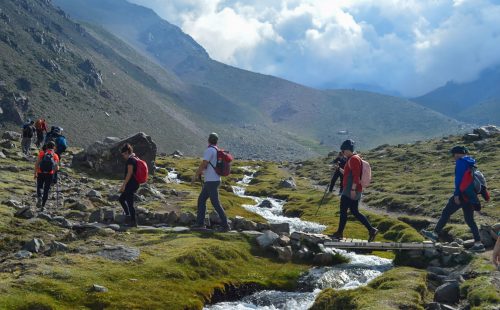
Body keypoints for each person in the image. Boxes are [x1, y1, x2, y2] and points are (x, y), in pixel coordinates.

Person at [421, 146, 485, 252]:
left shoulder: (461, 162)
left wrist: (456, 194)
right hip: (470, 196)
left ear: (456, 154)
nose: (453, 157)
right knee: (470, 220)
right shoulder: (471, 162)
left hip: (461, 195)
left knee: (446, 212)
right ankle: (479, 244)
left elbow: (459, 180)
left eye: (453, 155)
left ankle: (435, 234)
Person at [331, 140, 378, 242]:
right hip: (353, 189)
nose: (342, 152)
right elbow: (349, 174)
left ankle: (339, 233)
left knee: (343, 211)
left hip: (350, 190)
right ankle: (371, 230)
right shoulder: (352, 159)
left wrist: (352, 189)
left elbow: (356, 176)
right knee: (354, 211)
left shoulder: (353, 159)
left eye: (343, 150)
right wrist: (339, 169)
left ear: (348, 150)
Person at [192, 133, 230, 231]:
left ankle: (225, 226)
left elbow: (204, 164)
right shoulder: (217, 150)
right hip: (214, 180)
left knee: (215, 203)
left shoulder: (209, 150)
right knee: (201, 200)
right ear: (216, 141)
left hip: (211, 181)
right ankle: (200, 223)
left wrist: (196, 175)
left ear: (209, 140)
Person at [119, 143, 140, 227]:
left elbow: (129, 173)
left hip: (131, 185)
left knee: (130, 203)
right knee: (121, 199)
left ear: (127, 152)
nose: (123, 156)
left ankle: (133, 222)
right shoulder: (135, 158)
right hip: (134, 184)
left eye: (124, 154)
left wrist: (123, 185)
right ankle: (128, 217)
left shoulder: (130, 160)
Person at [34, 141, 59, 210]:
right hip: (49, 174)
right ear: (54, 147)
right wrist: (55, 172)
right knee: (46, 189)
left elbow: (37, 163)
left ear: (47, 146)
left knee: (39, 186)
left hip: (40, 172)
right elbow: (56, 167)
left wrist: (35, 173)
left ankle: (39, 197)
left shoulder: (42, 153)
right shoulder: (55, 155)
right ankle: (43, 206)